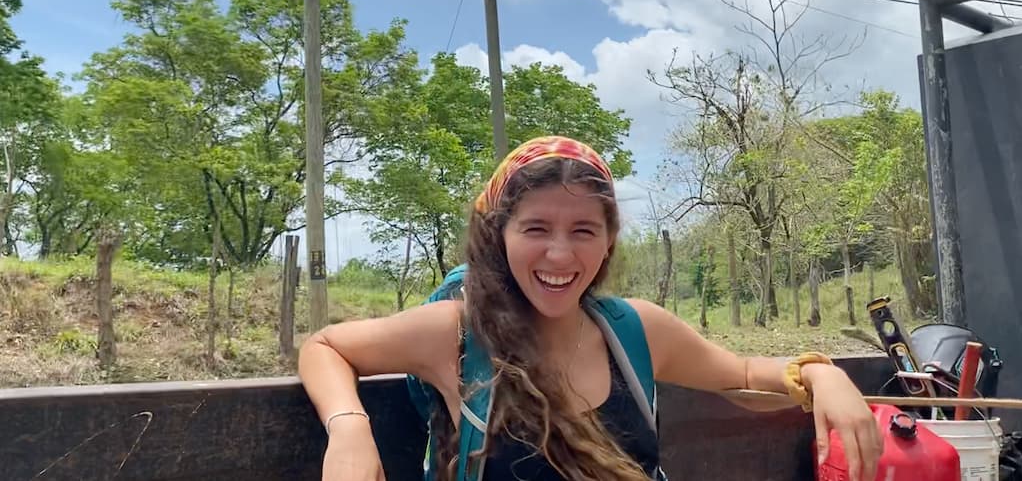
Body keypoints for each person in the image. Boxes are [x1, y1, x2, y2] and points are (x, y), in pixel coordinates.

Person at [298, 135, 883, 481]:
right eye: (535, 228)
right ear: (499, 237)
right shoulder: (455, 333)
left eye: (583, 229)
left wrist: (819, 372)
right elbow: (325, 346)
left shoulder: (633, 330)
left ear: (607, 241)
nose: (559, 253)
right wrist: (350, 430)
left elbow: (742, 374)